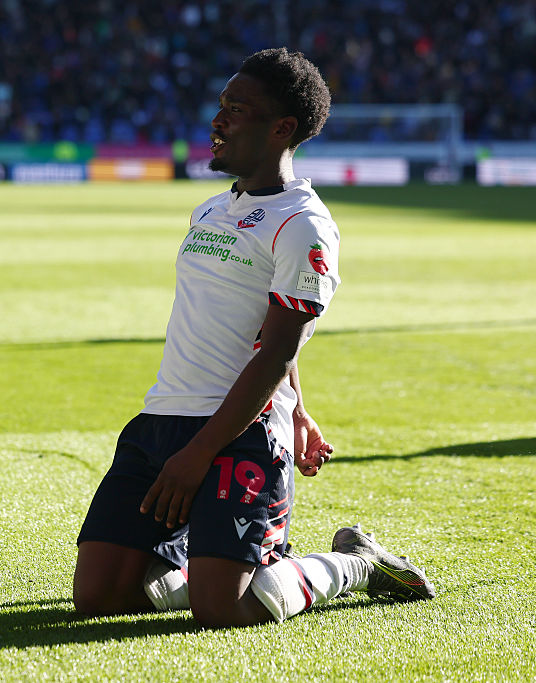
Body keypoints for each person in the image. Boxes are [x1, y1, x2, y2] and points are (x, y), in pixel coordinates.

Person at [73, 47, 434, 628]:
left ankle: (353, 563)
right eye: (221, 105)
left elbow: (280, 347)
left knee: (226, 610)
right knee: (99, 599)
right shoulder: (210, 211)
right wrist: (302, 407)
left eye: (237, 109)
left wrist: (204, 452)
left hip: (239, 434)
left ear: (282, 128)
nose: (218, 120)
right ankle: (221, 557)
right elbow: (263, 328)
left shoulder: (304, 225)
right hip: (164, 418)